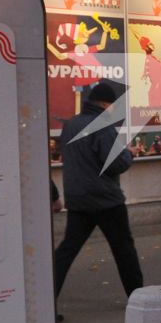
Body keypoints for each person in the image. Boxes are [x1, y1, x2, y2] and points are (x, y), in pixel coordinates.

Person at [53, 80, 145, 310]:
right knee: (124, 249)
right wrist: (129, 154)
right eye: (112, 104)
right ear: (105, 103)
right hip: (105, 200)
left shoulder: (72, 124)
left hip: (78, 199)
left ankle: (46, 297)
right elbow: (116, 163)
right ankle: (139, 300)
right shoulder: (103, 126)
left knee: (66, 251)